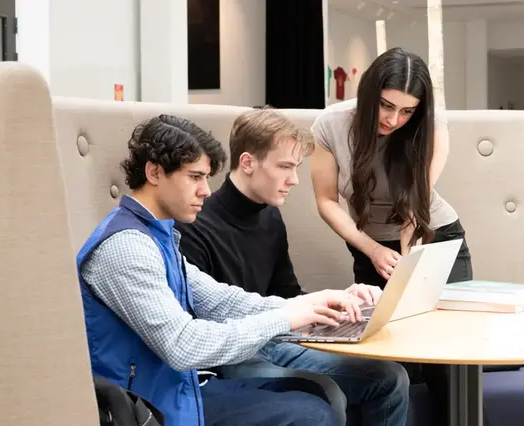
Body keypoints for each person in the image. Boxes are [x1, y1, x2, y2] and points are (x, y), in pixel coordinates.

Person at [76, 114, 366, 426]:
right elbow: (182, 345)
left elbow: (221, 300)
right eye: (195, 177)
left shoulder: (156, 236)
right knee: (312, 413)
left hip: (179, 388)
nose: (205, 190)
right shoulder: (126, 246)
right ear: (155, 172)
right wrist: (284, 318)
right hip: (147, 409)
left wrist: (310, 304)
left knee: (318, 394)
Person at [176, 108, 411, 426]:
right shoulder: (195, 227)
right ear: (247, 163)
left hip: (278, 340)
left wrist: (340, 301)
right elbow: (204, 326)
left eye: (296, 168)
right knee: (328, 393)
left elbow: (288, 295)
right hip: (233, 356)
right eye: (285, 167)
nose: (294, 180)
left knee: (391, 377)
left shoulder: (269, 215)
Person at [309, 47, 473, 426]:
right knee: (391, 357)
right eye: (385, 106)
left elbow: (417, 203)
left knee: (448, 354)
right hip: (370, 245)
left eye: (406, 111)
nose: (394, 119)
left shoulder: (430, 125)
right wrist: (369, 249)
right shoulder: (330, 124)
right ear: (368, 93)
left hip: (433, 236)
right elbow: (326, 201)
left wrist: (408, 262)